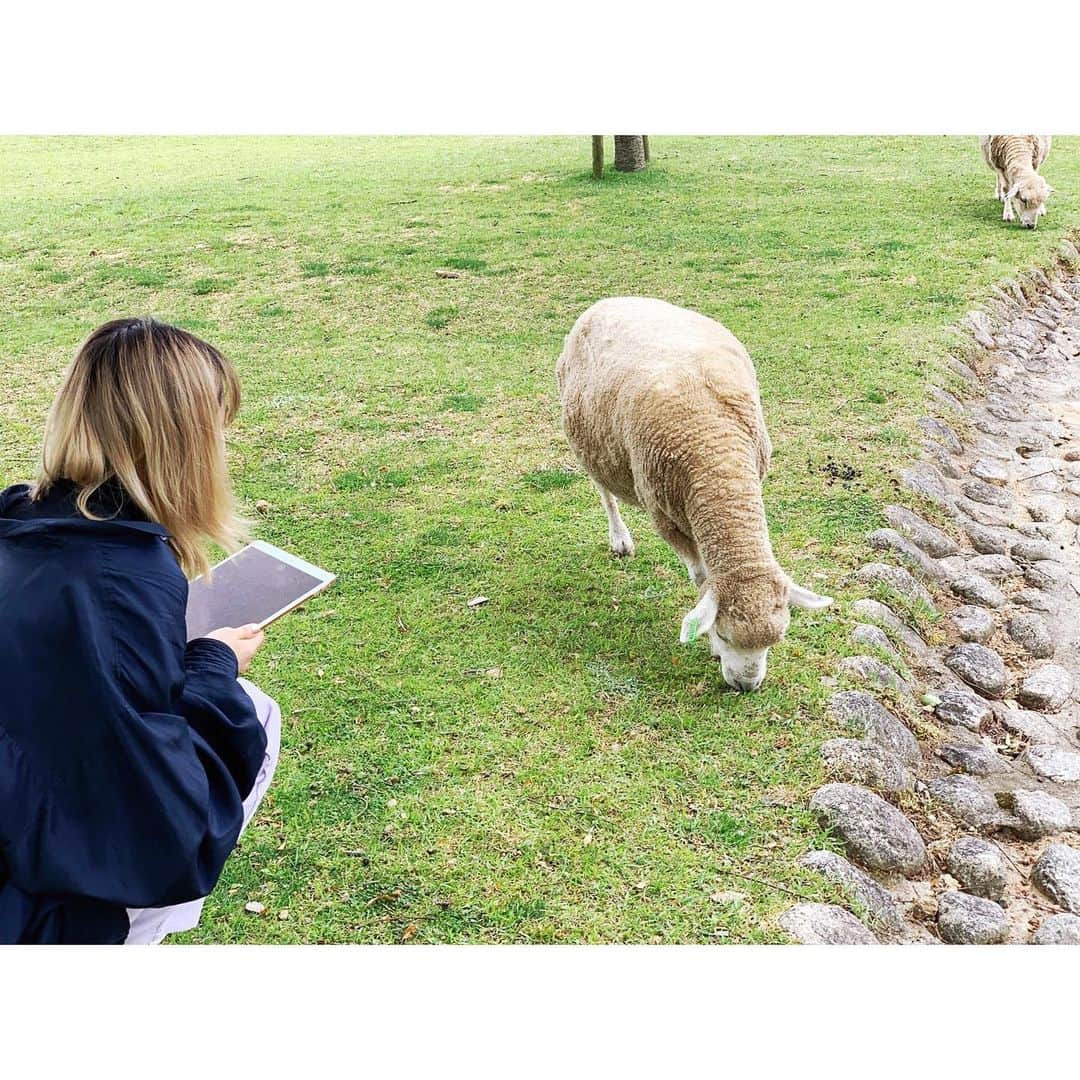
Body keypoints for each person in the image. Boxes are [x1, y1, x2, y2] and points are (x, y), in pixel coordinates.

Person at [0, 318, 281, 944]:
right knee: (258, 714)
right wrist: (212, 662)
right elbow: (150, 812)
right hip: (40, 902)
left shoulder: (21, 520)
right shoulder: (121, 575)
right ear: (182, 441)